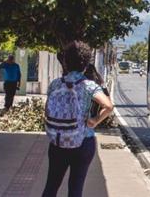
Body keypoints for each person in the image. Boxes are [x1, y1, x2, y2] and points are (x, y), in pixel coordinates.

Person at [42, 41, 114, 197]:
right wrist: (94, 121)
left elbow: (47, 109)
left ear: (66, 62)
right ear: (86, 65)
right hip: (83, 141)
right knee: (75, 189)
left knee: (51, 186)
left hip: (58, 140)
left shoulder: (55, 84)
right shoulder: (89, 85)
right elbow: (108, 106)